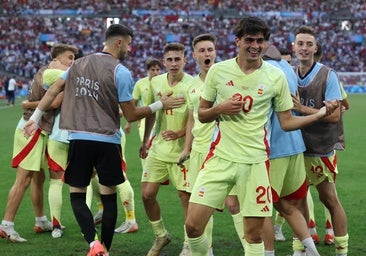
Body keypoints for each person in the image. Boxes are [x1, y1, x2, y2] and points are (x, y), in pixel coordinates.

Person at [23, 24, 185, 256]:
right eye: (128, 43)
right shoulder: (121, 72)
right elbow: (131, 115)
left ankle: (93, 244)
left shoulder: (78, 64)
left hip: (79, 139)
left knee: (77, 195)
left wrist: (35, 118)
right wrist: (161, 104)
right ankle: (106, 249)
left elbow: (53, 90)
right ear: (119, 43)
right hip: (108, 142)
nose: (129, 48)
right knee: (109, 199)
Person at [184, 16, 338, 256]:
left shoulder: (274, 76)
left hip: (256, 162)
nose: (255, 45)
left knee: (254, 234)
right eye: (249, 40)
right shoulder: (218, 71)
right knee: (193, 226)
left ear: (266, 44)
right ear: (238, 41)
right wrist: (219, 109)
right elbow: (202, 114)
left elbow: (287, 122)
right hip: (220, 158)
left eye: (260, 41)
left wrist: (318, 114)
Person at [0, 44, 77, 243]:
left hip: (36, 127)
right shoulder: (53, 73)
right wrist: (28, 105)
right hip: (32, 128)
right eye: (69, 57)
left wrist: (27, 104)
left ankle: (41, 220)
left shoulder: (46, 71)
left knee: (38, 177)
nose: (72, 62)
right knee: (24, 179)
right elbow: (54, 103)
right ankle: (6, 224)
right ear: (57, 60)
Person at [292, 25, 349, 256]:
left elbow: (335, 115)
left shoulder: (328, 74)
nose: (304, 48)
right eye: (300, 44)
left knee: (329, 199)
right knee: (297, 201)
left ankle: (341, 250)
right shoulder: (288, 73)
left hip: (321, 149)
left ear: (315, 48)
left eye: (308, 44)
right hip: (296, 147)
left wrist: (302, 109)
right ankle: (302, 249)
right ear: (293, 46)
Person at [261, 43, 320, 256]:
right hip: (295, 145)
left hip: (273, 149)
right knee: (290, 205)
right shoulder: (286, 68)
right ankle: (310, 251)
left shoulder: (261, 72)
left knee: (263, 210)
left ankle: (267, 253)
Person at [139, 42, 193, 256]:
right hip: (159, 148)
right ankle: (161, 235)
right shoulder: (157, 82)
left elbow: (194, 117)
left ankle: (189, 243)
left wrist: (180, 135)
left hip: (183, 151)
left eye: (177, 59)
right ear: (163, 62)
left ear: (184, 61)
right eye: (169, 59)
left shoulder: (192, 84)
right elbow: (152, 111)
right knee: (146, 194)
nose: (173, 63)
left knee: (185, 198)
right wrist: (145, 140)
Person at [178, 33, 217, 256]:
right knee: (200, 202)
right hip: (200, 150)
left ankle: (256, 249)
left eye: (210, 50)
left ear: (215, 52)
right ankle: (204, 249)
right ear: (194, 55)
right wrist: (186, 148)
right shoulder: (192, 86)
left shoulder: (224, 78)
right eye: (202, 50)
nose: (206, 54)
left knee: (236, 205)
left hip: (224, 149)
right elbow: (192, 117)